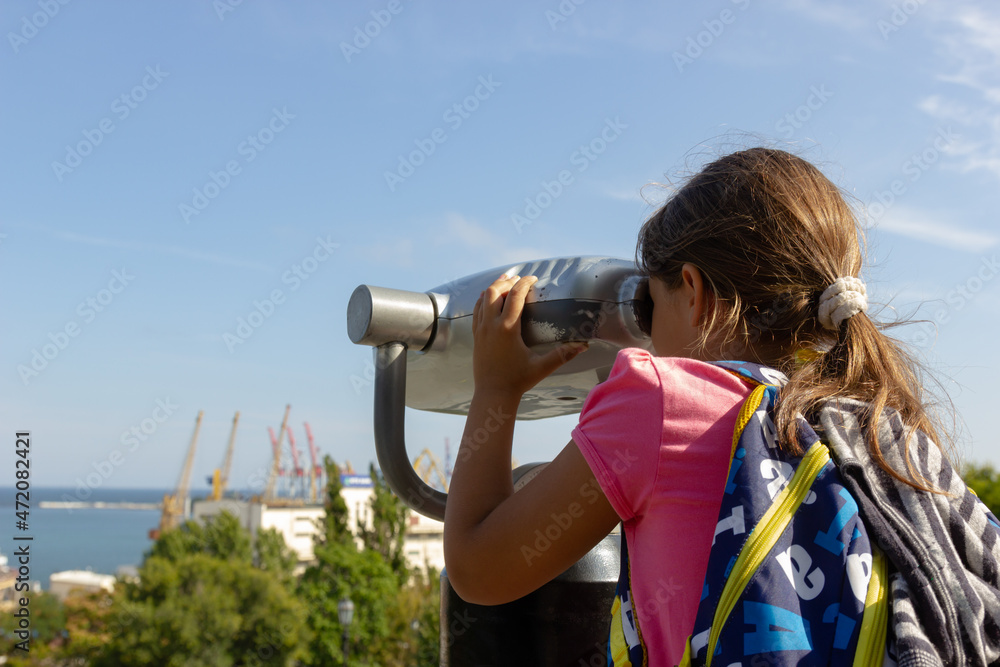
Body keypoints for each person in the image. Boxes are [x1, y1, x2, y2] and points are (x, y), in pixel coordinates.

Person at [442, 148, 1000, 666]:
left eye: (648, 304)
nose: (646, 337)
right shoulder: (874, 425)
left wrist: (496, 388)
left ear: (692, 289)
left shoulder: (660, 400)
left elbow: (478, 568)